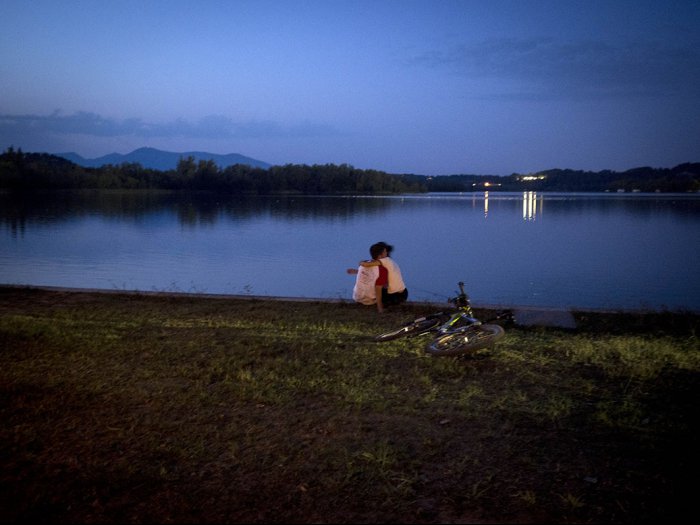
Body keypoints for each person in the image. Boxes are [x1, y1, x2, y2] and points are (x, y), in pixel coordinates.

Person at [348, 241, 408, 313]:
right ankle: (381, 305)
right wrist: (358, 271)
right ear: (380, 256)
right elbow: (373, 273)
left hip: (399, 294)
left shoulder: (386, 261)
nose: (387, 254)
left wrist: (361, 263)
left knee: (377, 286)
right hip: (398, 294)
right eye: (385, 252)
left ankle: (379, 304)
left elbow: (368, 266)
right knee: (377, 285)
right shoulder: (383, 263)